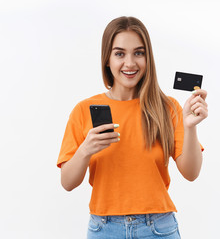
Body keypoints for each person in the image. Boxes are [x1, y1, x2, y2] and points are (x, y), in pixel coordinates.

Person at [57, 16, 208, 239]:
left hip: (158, 228)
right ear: (107, 59)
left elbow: (191, 173)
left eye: (139, 53)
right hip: (104, 229)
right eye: (120, 53)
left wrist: (191, 127)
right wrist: (85, 150)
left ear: (148, 58)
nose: (130, 63)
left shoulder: (167, 108)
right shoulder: (84, 109)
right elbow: (67, 183)